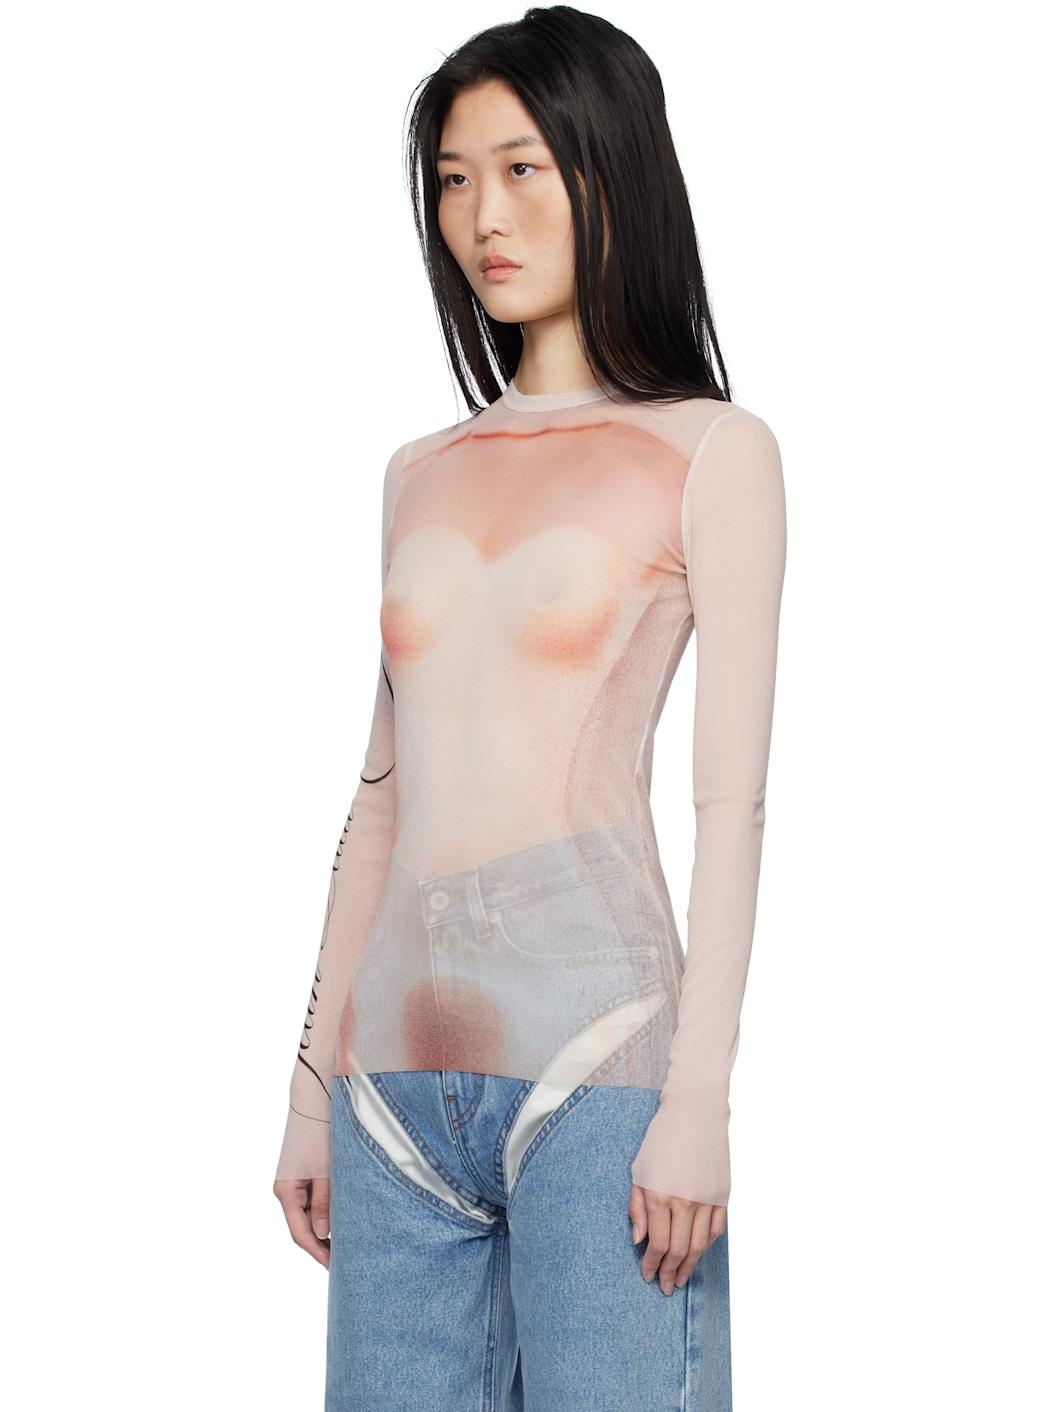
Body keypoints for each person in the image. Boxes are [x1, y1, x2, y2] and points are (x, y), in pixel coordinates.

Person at [273, 8, 787, 1409]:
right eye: (453, 179)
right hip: (389, 1087)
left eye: (520, 169)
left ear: (610, 172)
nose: (481, 217)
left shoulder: (711, 452)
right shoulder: (417, 470)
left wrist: (699, 1100)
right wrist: (312, 1089)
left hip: (601, 1070)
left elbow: (731, 802)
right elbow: (381, 802)